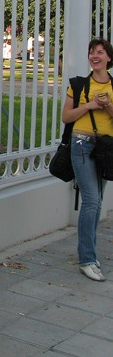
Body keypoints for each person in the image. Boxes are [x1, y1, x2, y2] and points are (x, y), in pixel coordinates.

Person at [61, 37, 113, 282]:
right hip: (81, 144)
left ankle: (89, 252)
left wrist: (109, 106)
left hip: (106, 149)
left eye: (100, 52)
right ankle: (87, 259)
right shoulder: (79, 85)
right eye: (92, 52)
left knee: (98, 201)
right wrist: (90, 105)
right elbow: (66, 116)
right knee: (91, 200)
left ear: (108, 58)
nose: (95, 56)